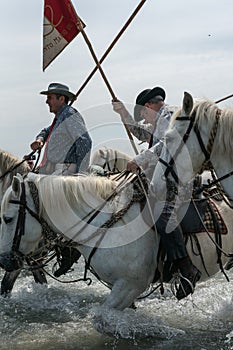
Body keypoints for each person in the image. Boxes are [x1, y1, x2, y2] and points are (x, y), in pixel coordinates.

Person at [29, 82, 92, 277]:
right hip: (51, 171)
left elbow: (85, 142)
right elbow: (46, 129)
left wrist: (80, 176)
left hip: (64, 172)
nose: (47, 101)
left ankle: (66, 250)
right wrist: (40, 139)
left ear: (61, 99)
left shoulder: (70, 115)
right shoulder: (60, 118)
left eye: (50, 97)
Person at [126, 140, 202, 300]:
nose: (144, 118)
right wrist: (124, 114)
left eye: (144, 114)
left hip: (179, 181)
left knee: (163, 215)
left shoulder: (168, 118)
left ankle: (187, 269)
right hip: (162, 180)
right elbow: (143, 132)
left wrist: (138, 160)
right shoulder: (156, 123)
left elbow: (165, 145)